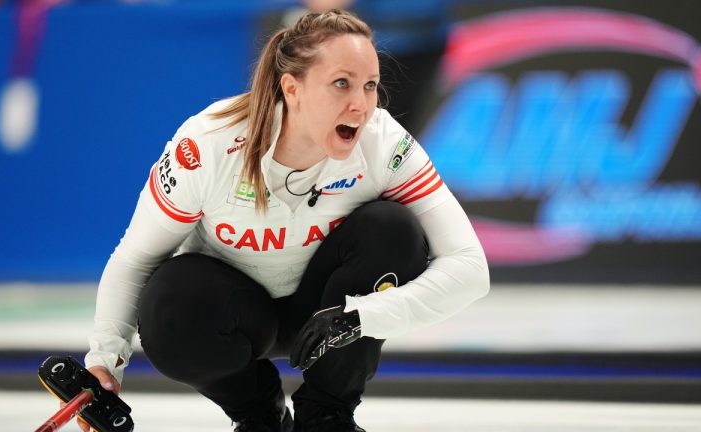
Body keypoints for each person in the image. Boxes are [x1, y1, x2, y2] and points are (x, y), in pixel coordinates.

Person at [81, 9, 489, 432]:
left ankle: (326, 414)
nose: (361, 105)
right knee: (169, 301)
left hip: (335, 318)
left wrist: (362, 316)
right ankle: (259, 413)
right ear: (291, 89)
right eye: (341, 84)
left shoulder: (384, 144)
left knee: (393, 230)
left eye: (370, 86)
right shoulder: (208, 146)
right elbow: (135, 259)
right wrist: (103, 362)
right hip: (237, 318)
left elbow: (471, 268)